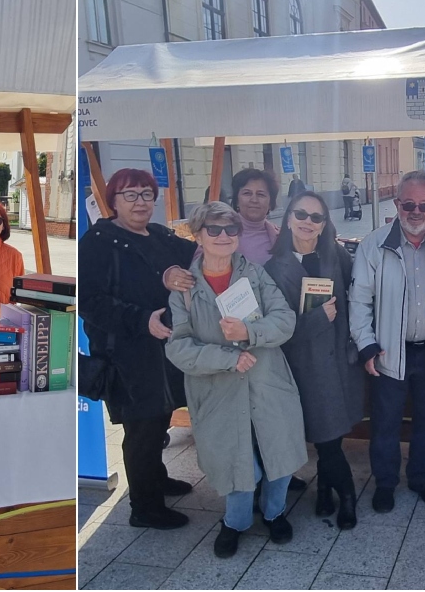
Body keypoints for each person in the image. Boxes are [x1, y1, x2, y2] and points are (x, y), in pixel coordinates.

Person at [165, 201, 305, 558]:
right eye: (214, 229)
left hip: (267, 379)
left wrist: (250, 331)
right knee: (236, 461)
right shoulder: (183, 287)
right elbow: (178, 347)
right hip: (217, 388)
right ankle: (236, 521)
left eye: (231, 229)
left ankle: (274, 512)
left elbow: (285, 319)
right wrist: (227, 358)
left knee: (278, 450)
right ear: (198, 235)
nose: (224, 236)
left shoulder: (255, 275)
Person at [78, 169, 197, 530]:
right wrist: (140, 318)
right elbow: (89, 301)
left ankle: (156, 478)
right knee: (141, 427)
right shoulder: (98, 241)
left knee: (159, 417)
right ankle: (144, 507)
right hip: (126, 351)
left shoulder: (159, 235)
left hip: (164, 348)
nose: (140, 202)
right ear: (113, 201)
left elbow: (198, 252)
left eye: (147, 194)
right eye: (130, 195)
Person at [349, 171, 425, 513]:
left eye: (424, 205)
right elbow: (359, 301)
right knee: (385, 424)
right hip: (388, 351)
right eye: (409, 204)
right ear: (397, 203)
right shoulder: (373, 246)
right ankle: (385, 483)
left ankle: (420, 479)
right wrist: (366, 345)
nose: (416, 212)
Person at [264, 191, 364, 529]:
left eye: (316, 217)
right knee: (327, 438)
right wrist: (318, 318)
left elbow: (360, 299)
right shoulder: (272, 268)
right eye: (301, 214)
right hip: (303, 368)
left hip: (339, 366)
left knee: (330, 436)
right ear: (289, 218)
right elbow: (276, 329)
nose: (308, 222)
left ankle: (324, 491)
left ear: (324, 224)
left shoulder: (336, 255)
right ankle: (347, 496)